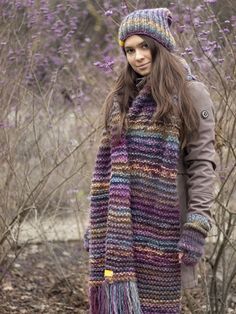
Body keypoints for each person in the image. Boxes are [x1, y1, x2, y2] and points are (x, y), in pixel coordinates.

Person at [84, 7, 216, 314]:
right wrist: (97, 224)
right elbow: (109, 170)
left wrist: (197, 224)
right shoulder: (121, 99)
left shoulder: (191, 93)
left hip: (164, 230)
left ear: (162, 46)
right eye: (129, 50)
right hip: (121, 229)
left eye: (145, 46)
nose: (138, 56)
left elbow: (202, 163)